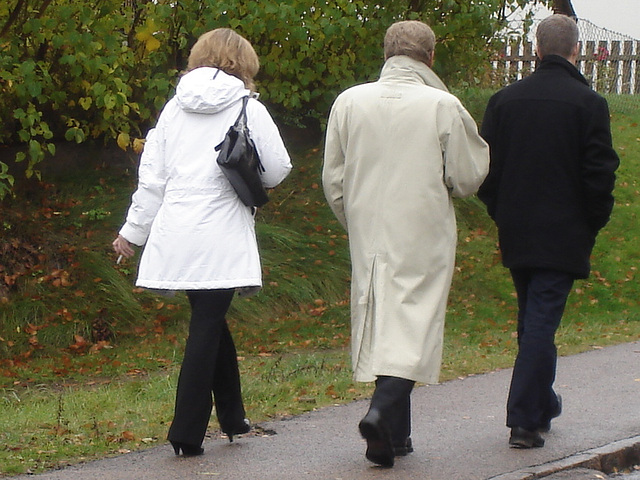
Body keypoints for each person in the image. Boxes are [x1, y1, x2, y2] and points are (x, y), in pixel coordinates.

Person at [112, 28, 292, 456]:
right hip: (222, 232)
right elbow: (279, 167)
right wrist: (249, 178)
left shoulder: (173, 110)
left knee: (211, 318)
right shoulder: (248, 106)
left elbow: (152, 179)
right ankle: (186, 433)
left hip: (177, 232)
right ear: (244, 63)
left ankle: (234, 419)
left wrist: (131, 233)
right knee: (207, 324)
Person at [322, 20, 489, 468]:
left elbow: (333, 179)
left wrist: (355, 218)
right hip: (422, 225)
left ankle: (396, 434)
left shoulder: (349, 101)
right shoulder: (442, 105)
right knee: (415, 319)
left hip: (368, 226)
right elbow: (468, 176)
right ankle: (381, 412)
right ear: (429, 58)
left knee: (382, 315)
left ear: (386, 53)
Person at [478, 14, 619, 449]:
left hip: (518, 228)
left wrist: (501, 211)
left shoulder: (504, 101)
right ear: (575, 51)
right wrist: (590, 222)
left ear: (537, 50)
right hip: (565, 230)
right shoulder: (588, 104)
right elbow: (600, 173)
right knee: (540, 321)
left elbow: (486, 170)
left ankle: (542, 404)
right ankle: (523, 419)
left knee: (532, 318)